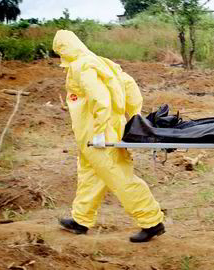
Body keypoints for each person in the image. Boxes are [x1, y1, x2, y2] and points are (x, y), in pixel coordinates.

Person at [53, 30, 165, 243]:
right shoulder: (102, 62)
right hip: (100, 132)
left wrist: (98, 131)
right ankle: (81, 220)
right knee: (90, 174)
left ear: (62, 49)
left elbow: (101, 99)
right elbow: (131, 88)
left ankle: (151, 221)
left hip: (97, 134)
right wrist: (133, 117)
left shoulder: (80, 66)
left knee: (119, 176)